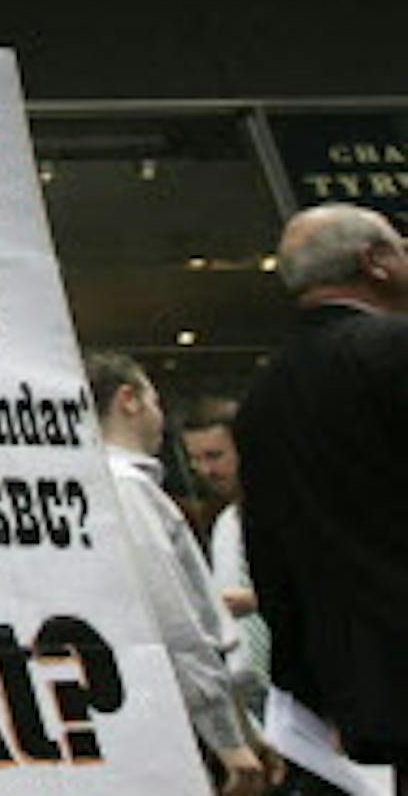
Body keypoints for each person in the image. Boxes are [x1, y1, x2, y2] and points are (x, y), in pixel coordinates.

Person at [239, 203, 408, 789]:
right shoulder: (394, 350)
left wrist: (314, 686)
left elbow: (270, 556)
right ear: (376, 262)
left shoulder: (262, 398)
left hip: (365, 686)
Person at [88, 352, 274, 796]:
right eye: (154, 397)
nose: (159, 414)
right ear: (129, 399)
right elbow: (177, 626)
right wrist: (230, 739)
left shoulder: (119, 486)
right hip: (179, 724)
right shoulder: (127, 488)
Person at [179, 398, 268, 712]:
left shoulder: (296, 512)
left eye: (215, 456)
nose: (206, 470)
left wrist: (255, 600)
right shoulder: (226, 525)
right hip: (249, 693)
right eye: (196, 460)